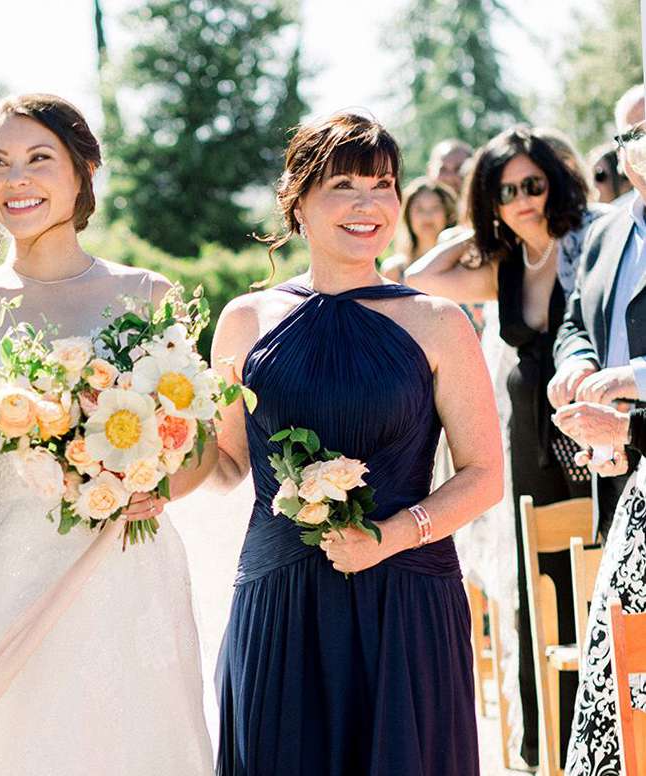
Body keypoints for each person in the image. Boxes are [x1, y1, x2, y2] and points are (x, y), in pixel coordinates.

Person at [0, 94, 214, 775]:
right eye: (0, 162)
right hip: (6, 558)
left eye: (39, 159)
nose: (16, 179)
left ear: (83, 170)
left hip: (123, 557)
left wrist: (157, 490)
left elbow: (199, 445)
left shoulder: (148, 296)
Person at [208, 111, 501, 774]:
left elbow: (484, 474)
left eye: (384, 185)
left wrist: (395, 534)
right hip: (281, 598)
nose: (369, 204)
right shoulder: (245, 320)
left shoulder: (438, 323)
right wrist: (135, 460)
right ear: (299, 201)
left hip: (406, 598)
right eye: (345, 185)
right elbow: (224, 460)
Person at [406, 125, 604, 769]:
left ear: (557, 182)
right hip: (533, 444)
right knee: (540, 583)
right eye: (506, 188)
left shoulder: (592, 243)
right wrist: (482, 221)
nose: (523, 198)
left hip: (595, 430)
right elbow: (422, 273)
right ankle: (551, 740)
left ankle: (609, 731)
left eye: (533, 185)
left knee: (599, 576)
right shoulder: (505, 264)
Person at [548, 83, 646, 776]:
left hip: (635, 440)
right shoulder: (606, 230)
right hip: (614, 469)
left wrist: (631, 383)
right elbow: (577, 320)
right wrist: (578, 365)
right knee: (621, 658)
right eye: (634, 132)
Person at [380, 176, 457, 282]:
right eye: (419, 208)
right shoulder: (394, 270)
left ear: (448, 214)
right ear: (408, 216)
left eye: (435, 207)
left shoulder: (460, 267)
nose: (427, 215)